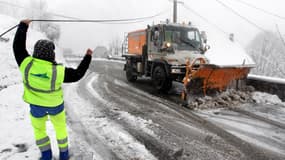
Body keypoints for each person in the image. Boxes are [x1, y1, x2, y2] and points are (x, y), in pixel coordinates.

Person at [13, 19, 93, 160]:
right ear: (51, 54)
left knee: (39, 130)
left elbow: (18, 47)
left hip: (36, 106)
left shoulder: (26, 64)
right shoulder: (58, 71)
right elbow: (78, 74)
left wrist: (23, 25)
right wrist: (87, 57)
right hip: (55, 106)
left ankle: (46, 155)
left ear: (36, 52)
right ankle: (63, 155)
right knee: (60, 128)